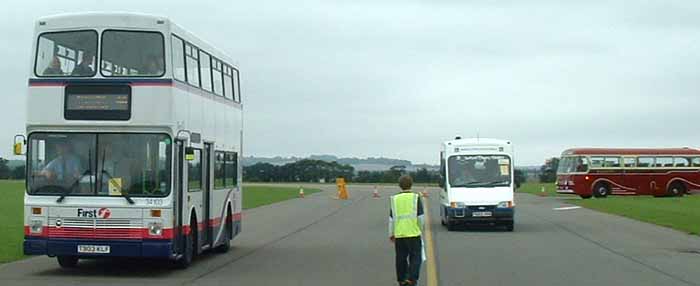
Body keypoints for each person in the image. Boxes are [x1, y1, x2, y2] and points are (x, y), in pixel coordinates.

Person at [389, 175, 424, 286]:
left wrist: (391, 233)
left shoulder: (394, 199)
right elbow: (420, 218)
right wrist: (420, 229)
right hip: (413, 233)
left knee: (401, 258)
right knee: (416, 257)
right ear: (411, 184)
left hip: (399, 234)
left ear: (399, 185)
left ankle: (401, 279)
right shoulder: (415, 197)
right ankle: (411, 279)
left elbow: (391, 219)